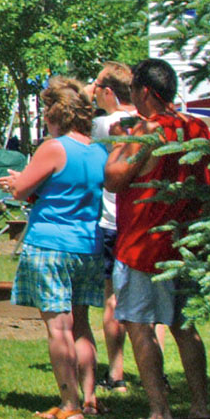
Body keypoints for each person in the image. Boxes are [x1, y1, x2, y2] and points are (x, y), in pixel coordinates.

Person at [104, 58, 210, 419]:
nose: (130, 95)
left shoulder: (147, 132)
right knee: (185, 326)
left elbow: (114, 179)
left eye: (132, 89)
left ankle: (159, 411)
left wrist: (121, 141)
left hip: (144, 246)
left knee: (139, 325)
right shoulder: (197, 127)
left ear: (145, 92)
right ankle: (201, 408)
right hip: (186, 244)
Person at [0, 78, 106, 419]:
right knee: (83, 325)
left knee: (59, 327)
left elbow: (20, 190)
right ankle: (90, 398)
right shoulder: (98, 150)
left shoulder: (53, 147)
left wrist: (15, 181)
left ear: (57, 112)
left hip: (51, 244)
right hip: (88, 244)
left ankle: (69, 404)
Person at [89, 63, 135, 392]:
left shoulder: (105, 125)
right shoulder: (149, 123)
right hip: (143, 220)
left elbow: (72, 111)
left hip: (111, 220)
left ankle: (115, 373)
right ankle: (155, 369)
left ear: (108, 92)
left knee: (113, 300)